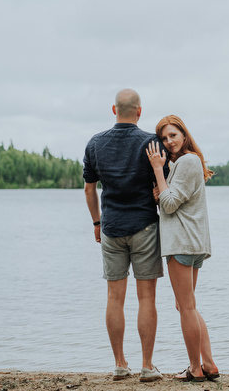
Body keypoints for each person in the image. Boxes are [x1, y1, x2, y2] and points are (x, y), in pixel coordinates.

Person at [83, 89, 166, 383]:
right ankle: (146, 365)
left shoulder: (95, 143)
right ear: (139, 111)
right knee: (147, 298)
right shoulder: (150, 143)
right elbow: (161, 188)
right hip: (144, 225)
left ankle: (119, 364)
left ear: (114, 109)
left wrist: (97, 222)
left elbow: (90, 189)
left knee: (114, 298)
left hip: (112, 228)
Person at [146, 115, 220, 382]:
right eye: (164, 138)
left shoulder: (188, 161)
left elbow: (168, 205)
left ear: (184, 136)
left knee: (186, 307)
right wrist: (161, 190)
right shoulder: (181, 164)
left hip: (183, 242)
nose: (169, 142)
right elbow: (170, 199)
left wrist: (157, 171)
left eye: (173, 136)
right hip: (191, 241)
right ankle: (209, 364)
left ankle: (195, 368)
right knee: (185, 305)